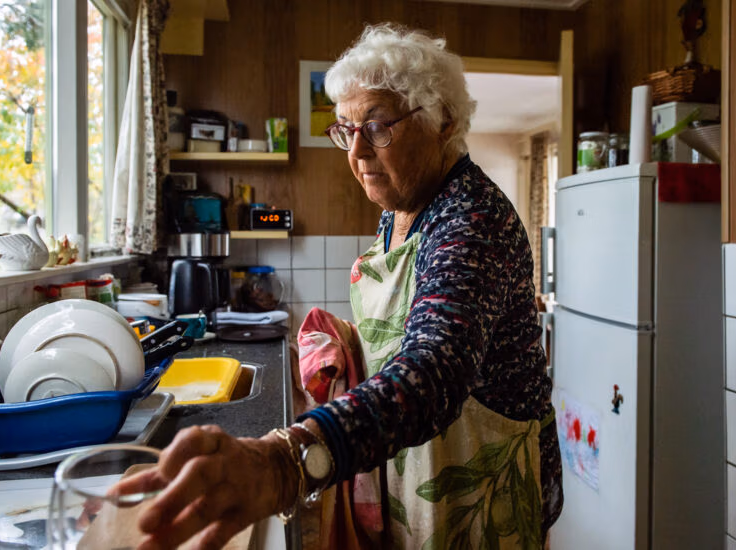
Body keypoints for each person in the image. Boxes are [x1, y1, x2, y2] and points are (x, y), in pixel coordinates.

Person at [120, 23, 562, 550]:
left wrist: (285, 461)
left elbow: (436, 367)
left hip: (482, 484)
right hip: (421, 464)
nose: (357, 152)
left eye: (376, 126)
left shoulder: (471, 219)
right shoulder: (402, 209)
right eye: (345, 130)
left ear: (442, 122)